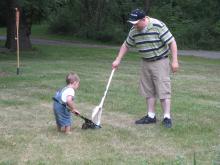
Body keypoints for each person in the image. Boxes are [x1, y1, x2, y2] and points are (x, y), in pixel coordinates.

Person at [112, 8, 179, 128]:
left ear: (144, 19)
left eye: (136, 23)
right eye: (133, 23)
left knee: (163, 90)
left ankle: (167, 117)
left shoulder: (158, 25)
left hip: (160, 61)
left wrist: (175, 61)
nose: (134, 26)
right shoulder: (134, 30)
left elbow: (172, 42)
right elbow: (126, 45)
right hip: (145, 62)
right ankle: (151, 116)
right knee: (148, 90)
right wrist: (118, 59)